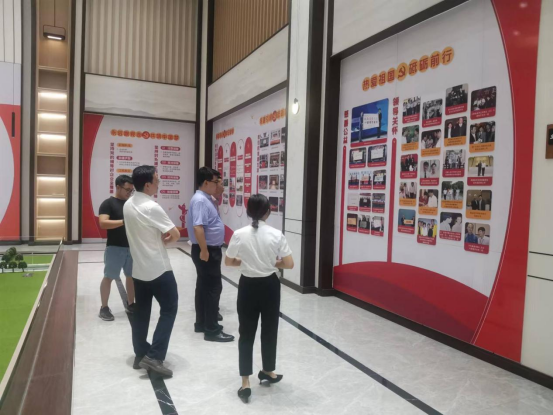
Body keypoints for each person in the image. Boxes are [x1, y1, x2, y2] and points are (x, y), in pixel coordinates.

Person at [225, 194, 294, 403]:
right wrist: (271, 263)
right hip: (270, 286)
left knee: (246, 332)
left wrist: (247, 262)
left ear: (248, 212)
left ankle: (245, 381)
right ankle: (267, 370)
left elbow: (229, 261)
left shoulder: (239, 234)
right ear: (268, 212)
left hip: (247, 286)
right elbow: (289, 264)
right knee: (270, 329)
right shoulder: (276, 234)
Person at [124, 166, 181, 377]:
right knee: (169, 309)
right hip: (158, 269)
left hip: (139, 269)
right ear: (147, 184)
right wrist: (163, 242)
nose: (159, 183)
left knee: (141, 313)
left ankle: (140, 353)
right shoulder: (151, 207)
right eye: (157, 180)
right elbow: (175, 234)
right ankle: (155, 357)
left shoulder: (128, 205)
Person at [187, 167, 234, 342]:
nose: (218, 185)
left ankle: (201, 323)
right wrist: (205, 250)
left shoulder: (205, 198)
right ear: (206, 182)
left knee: (203, 287)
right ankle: (212, 330)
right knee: (213, 288)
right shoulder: (200, 200)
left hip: (206, 249)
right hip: (207, 250)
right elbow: (198, 227)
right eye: (215, 182)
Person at [98, 175, 135, 321]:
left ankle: (131, 304)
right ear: (118, 187)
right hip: (114, 247)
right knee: (109, 277)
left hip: (131, 247)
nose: (129, 193)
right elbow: (103, 223)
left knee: (131, 277)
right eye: (127, 189)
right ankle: (104, 307)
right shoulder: (108, 203)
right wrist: (124, 221)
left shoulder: (131, 204)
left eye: (131, 190)